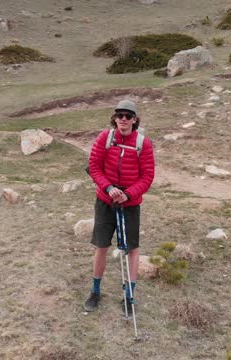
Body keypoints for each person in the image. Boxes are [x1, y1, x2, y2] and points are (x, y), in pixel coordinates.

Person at [84, 99, 155, 314]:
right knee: (101, 246)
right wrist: (108, 189)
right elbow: (94, 167)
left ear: (135, 119)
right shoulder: (105, 138)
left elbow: (147, 176)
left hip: (130, 204)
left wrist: (128, 194)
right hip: (105, 201)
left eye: (128, 116)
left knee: (132, 249)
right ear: (115, 118)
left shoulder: (143, 144)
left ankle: (129, 296)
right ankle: (95, 291)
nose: (123, 119)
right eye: (119, 115)